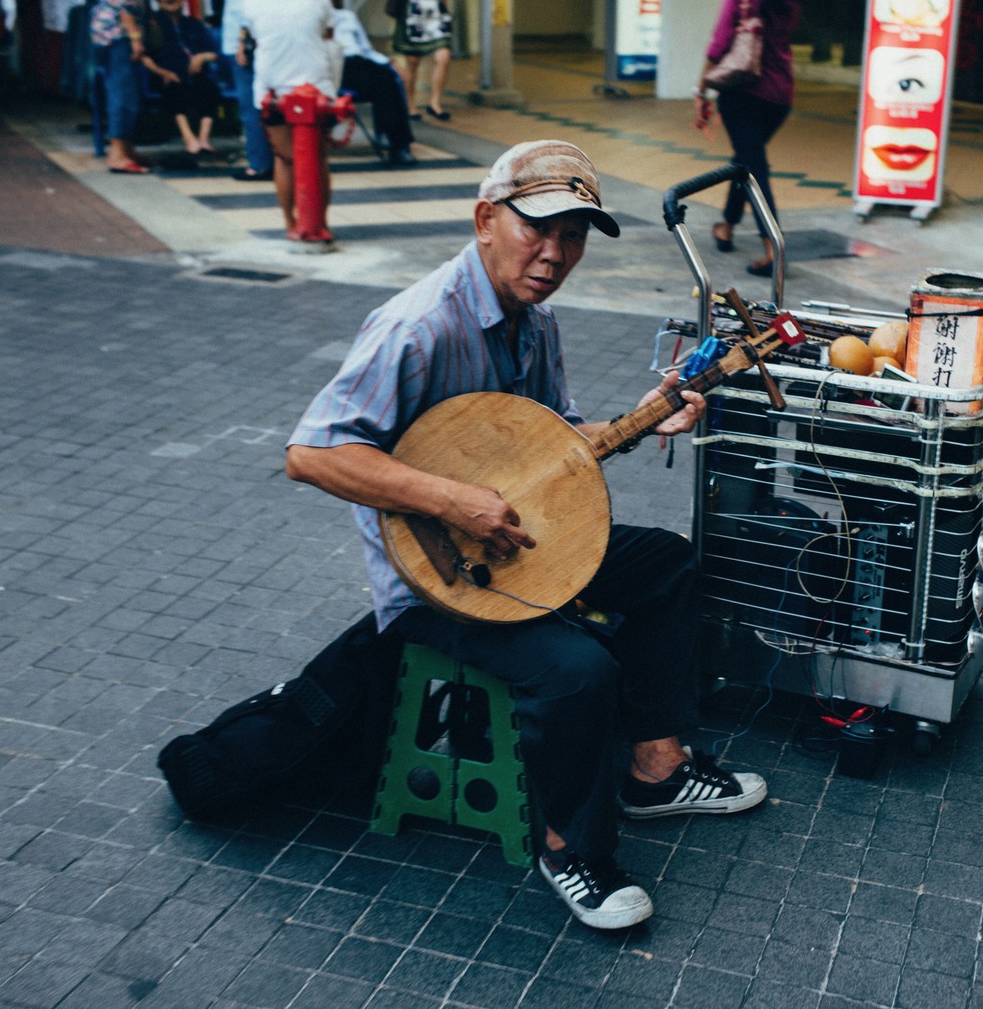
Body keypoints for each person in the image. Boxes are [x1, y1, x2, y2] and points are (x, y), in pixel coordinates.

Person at [284, 140, 768, 930]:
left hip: (519, 540)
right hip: (435, 580)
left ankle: (655, 769)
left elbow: (555, 442)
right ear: (484, 219)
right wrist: (449, 500)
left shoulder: (535, 324)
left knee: (667, 563)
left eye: (573, 236)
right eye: (536, 228)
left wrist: (646, 418)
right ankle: (567, 848)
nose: (554, 254)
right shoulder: (418, 326)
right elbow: (311, 453)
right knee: (576, 668)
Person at [697, 0, 801, 278]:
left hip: (742, 91)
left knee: (753, 166)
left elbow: (719, 43)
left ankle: (774, 247)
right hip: (780, 95)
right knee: (747, 158)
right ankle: (726, 225)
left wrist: (702, 90)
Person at [242, 0, 340, 245]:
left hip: (273, 89)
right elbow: (328, 35)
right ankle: (319, 224)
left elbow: (254, 35)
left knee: (284, 160)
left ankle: (291, 224)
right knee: (317, 158)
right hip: (315, 89)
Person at [140, 0, 222, 156]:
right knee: (174, 88)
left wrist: (202, 57)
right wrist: (163, 72)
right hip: (167, 76)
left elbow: (214, 53)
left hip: (194, 75)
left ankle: (203, 139)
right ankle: (188, 137)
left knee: (209, 89)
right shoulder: (152, 25)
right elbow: (144, 57)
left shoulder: (193, 24)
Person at [91, 0, 151, 173]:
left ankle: (126, 148)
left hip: (111, 32)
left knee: (128, 90)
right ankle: (117, 152)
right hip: (117, 33)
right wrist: (134, 35)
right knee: (122, 91)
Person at [333, 7, 417, 168]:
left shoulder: (346, 16)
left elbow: (366, 48)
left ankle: (397, 142)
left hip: (356, 61)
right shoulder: (305, 16)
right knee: (380, 79)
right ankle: (389, 134)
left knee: (387, 78)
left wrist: (389, 62)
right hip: (330, 65)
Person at [221, 0, 274, 181]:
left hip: (245, 42)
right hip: (244, 41)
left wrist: (242, 38)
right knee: (253, 103)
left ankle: (259, 162)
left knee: (251, 104)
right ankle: (263, 159)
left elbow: (250, 2)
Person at [392, 0, 454, 122]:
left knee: (444, 56)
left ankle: (435, 102)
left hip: (436, 12)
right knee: (412, 62)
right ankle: (410, 104)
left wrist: (446, 13)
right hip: (415, 12)